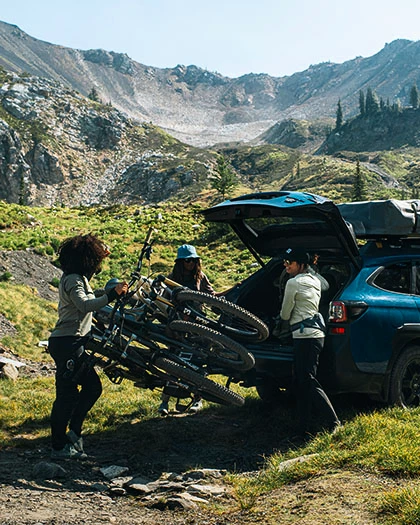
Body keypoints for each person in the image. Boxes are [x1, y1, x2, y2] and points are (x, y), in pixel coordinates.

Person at [48, 234, 128, 459]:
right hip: (68, 342)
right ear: (86, 259)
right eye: (95, 259)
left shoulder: (79, 278)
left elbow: (90, 300)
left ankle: (73, 433)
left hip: (73, 341)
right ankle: (58, 447)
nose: (98, 265)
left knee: (92, 387)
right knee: (67, 394)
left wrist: (111, 294)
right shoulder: (73, 279)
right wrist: (111, 295)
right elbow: (84, 305)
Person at [280, 247, 340, 436]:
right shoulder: (315, 280)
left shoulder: (293, 283)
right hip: (316, 335)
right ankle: (303, 425)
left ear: (301, 264)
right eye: (285, 262)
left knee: (307, 379)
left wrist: (283, 321)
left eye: (290, 262)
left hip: (304, 336)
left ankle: (334, 422)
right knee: (301, 380)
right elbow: (325, 287)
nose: (286, 265)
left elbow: (285, 313)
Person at [158, 244, 215, 415]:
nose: (189, 263)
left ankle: (198, 398)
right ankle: (165, 402)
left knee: (197, 361)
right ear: (180, 262)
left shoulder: (200, 277)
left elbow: (211, 295)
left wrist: (231, 292)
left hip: (197, 325)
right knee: (173, 361)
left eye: (192, 260)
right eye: (186, 260)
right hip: (177, 326)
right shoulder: (171, 279)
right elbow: (163, 300)